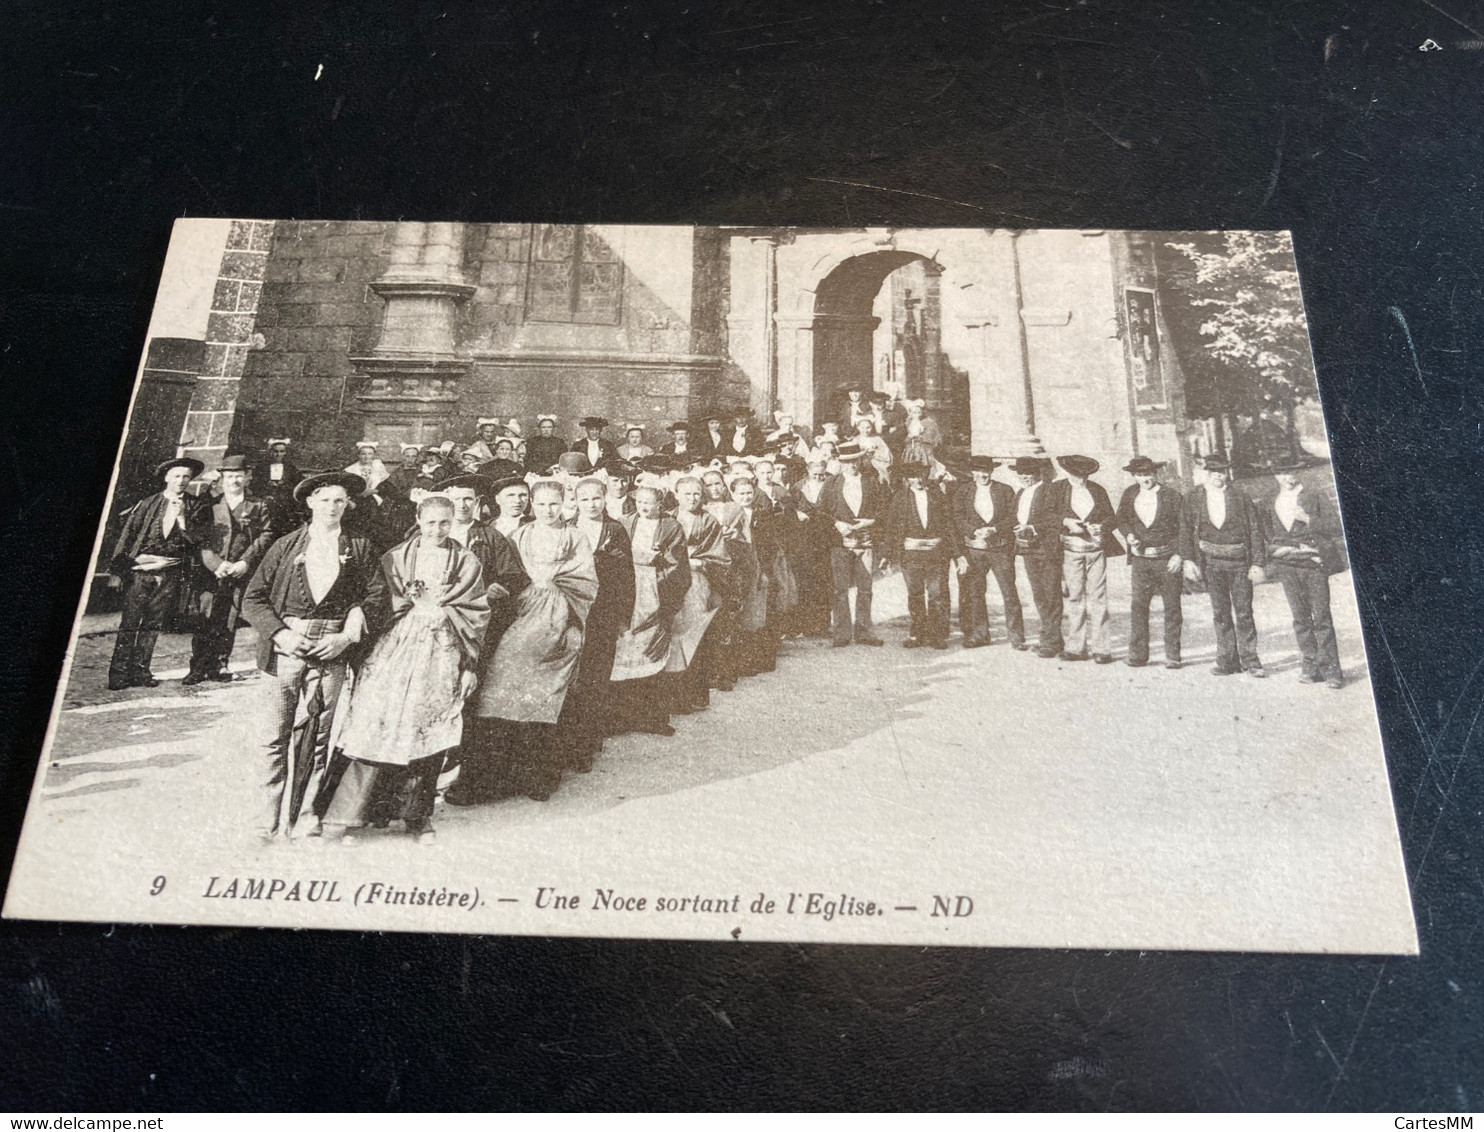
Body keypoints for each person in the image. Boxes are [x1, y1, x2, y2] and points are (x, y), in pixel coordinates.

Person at [320, 494, 491, 844]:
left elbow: (476, 615)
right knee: (376, 723)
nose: (438, 530)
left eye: (445, 522)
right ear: (418, 519)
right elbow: (378, 602)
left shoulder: (466, 561)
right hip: (395, 650)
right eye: (431, 523)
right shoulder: (396, 557)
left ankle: (417, 818)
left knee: (426, 729)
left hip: (441, 652)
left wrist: (468, 664)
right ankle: (351, 816)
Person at [241, 471, 385, 840]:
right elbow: (253, 598)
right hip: (286, 651)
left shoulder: (360, 546)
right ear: (310, 503)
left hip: (331, 650)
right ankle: (264, 821)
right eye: (324, 500)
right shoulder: (286, 546)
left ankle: (307, 815)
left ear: (348, 504)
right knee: (274, 737)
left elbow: (375, 597)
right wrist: (281, 634)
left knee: (318, 739)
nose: (332, 507)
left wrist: (348, 635)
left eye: (339, 500)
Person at [466, 481, 598, 801]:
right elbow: (510, 575)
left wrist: (566, 611)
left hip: (559, 612)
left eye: (554, 504)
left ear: (564, 503)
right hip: (522, 613)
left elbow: (585, 581)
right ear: (532, 506)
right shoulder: (518, 535)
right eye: (540, 505)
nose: (547, 511)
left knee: (545, 695)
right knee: (503, 684)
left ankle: (540, 774)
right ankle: (502, 774)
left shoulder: (575, 536)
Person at [106, 457, 206, 690]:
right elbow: (127, 537)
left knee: (153, 623)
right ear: (166, 478)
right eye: (177, 476)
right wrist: (118, 571)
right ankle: (119, 674)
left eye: (186, 477)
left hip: (169, 573)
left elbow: (197, 540)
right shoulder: (148, 503)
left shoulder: (195, 506)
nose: (181, 481)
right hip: (140, 573)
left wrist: (182, 518)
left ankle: (141, 671)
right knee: (130, 622)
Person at [561, 477, 636, 769]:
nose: (591, 505)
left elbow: (626, 577)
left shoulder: (615, 530)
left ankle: (586, 746)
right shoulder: (566, 527)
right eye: (585, 500)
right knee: (570, 678)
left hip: (603, 613)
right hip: (569, 613)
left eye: (596, 499)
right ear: (576, 502)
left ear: (605, 499)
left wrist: (622, 618)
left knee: (595, 677)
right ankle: (564, 742)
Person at [184, 454, 275, 684]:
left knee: (229, 619)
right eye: (230, 476)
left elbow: (266, 534)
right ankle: (197, 667)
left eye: (239, 476)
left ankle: (220, 664)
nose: (234, 480)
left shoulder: (258, 505)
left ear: (248, 478)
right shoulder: (209, 505)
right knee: (205, 617)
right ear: (222, 478)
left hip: (239, 571)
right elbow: (200, 539)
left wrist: (245, 562)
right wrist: (216, 564)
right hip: (211, 571)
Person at [610, 486, 692, 735]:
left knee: (652, 651)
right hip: (628, 590)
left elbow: (678, 564)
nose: (644, 507)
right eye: (640, 501)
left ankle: (653, 717)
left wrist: (656, 563)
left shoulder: (671, 527)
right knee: (624, 648)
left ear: (661, 504)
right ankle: (622, 716)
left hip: (655, 591)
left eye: (650, 503)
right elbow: (614, 555)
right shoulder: (623, 523)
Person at [1181, 455, 1267, 678]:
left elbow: (1255, 530)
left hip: (1239, 562)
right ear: (1206, 473)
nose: (1218, 476)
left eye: (1222, 472)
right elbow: (1185, 530)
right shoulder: (1193, 497)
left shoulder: (1240, 496)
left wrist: (1257, 563)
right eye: (1213, 472)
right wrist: (1189, 560)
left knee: (1244, 612)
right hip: (1210, 563)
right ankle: (1227, 660)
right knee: (1220, 613)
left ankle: (1251, 660)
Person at [1261, 461, 1344, 688]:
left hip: (1313, 563)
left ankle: (1332, 670)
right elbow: (1265, 533)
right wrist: (1276, 550)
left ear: (1298, 471)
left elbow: (1336, 525)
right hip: (1287, 565)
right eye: (1280, 472)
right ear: (1274, 475)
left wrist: (1308, 519)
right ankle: (1311, 665)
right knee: (1300, 617)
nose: (1286, 476)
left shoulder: (1314, 495)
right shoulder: (1271, 500)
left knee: (1321, 616)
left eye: (1289, 471)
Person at [667, 475, 732, 712]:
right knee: (672, 633)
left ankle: (693, 694)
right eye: (686, 494)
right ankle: (671, 696)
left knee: (694, 633)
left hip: (696, 580)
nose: (692, 498)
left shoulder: (708, 520)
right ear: (676, 495)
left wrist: (698, 561)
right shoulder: (668, 518)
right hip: (671, 580)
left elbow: (719, 555)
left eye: (696, 493)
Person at [884, 462, 965, 649]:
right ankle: (917, 633)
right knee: (915, 593)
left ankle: (937, 634)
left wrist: (958, 554)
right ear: (907, 480)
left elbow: (949, 526)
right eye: (913, 477)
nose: (918, 480)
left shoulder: (938, 496)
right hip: (911, 555)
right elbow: (892, 528)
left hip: (936, 554)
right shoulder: (899, 499)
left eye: (921, 475)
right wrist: (888, 555)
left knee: (937, 594)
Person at [1115, 456, 1185, 669]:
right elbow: (1121, 519)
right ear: (1134, 476)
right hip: (1141, 561)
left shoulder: (1172, 496)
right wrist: (1128, 536)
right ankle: (1138, 655)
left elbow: (1184, 527)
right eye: (1140, 474)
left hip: (1166, 559)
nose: (1145, 478)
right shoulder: (1130, 494)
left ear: (1156, 474)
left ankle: (1172, 655)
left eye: (1148, 474)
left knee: (1172, 607)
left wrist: (1179, 555)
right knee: (1138, 607)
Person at [818, 441, 886, 647]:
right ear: (840, 462)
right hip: (841, 543)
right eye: (847, 462)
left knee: (865, 588)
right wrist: (837, 524)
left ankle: (864, 631)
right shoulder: (831, 483)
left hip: (866, 542)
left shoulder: (872, 481)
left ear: (861, 460)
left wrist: (871, 521)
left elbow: (885, 508)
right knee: (840, 589)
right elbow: (820, 511)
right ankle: (841, 633)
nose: (852, 466)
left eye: (855, 461)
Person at [951, 456, 1023, 650]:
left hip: (1000, 549)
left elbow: (1013, 516)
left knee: (1009, 592)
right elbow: (957, 517)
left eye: (987, 471)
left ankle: (1016, 636)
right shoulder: (963, 491)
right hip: (974, 550)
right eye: (979, 471)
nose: (983, 475)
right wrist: (973, 530)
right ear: (972, 472)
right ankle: (979, 634)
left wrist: (996, 529)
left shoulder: (1004, 490)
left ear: (991, 472)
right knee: (974, 592)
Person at [1056, 455, 1121, 664]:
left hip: (1096, 550)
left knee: (1098, 597)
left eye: (1084, 475)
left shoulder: (1097, 490)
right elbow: (1045, 516)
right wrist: (1065, 521)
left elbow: (1111, 517)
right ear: (1068, 473)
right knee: (1075, 596)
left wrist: (1101, 526)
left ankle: (1102, 648)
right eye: (1076, 475)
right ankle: (1076, 647)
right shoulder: (1057, 490)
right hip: (1071, 550)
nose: (1080, 479)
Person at [1012, 456, 1070, 659]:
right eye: (1020, 474)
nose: (1024, 477)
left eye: (1028, 473)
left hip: (1047, 548)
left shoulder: (1048, 490)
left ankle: (1052, 641)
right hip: (1028, 549)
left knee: (1051, 594)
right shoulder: (1020, 493)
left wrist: (1033, 528)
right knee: (1039, 595)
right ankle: (1049, 637)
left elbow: (1055, 519)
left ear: (1037, 473)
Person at [783, 457, 836, 638]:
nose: (820, 478)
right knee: (806, 582)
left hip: (826, 539)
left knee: (825, 581)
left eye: (822, 474)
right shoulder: (797, 488)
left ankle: (823, 624)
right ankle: (806, 624)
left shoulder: (832, 484)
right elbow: (791, 513)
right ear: (807, 470)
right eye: (815, 474)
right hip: (805, 542)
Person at [901, 399, 942, 468]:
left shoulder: (929, 423)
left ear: (922, 412)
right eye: (914, 412)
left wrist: (919, 438)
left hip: (923, 446)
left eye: (919, 412)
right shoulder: (908, 422)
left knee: (920, 451)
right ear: (910, 413)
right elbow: (906, 434)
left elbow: (930, 438)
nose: (917, 414)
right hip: (911, 444)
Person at [854, 417, 894, 486]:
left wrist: (875, 454)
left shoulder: (877, 439)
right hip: (861, 467)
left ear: (872, 427)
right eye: (862, 428)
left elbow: (886, 454)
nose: (866, 430)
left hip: (876, 466)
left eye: (868, 427)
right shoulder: (855, 440)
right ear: (858, 427)